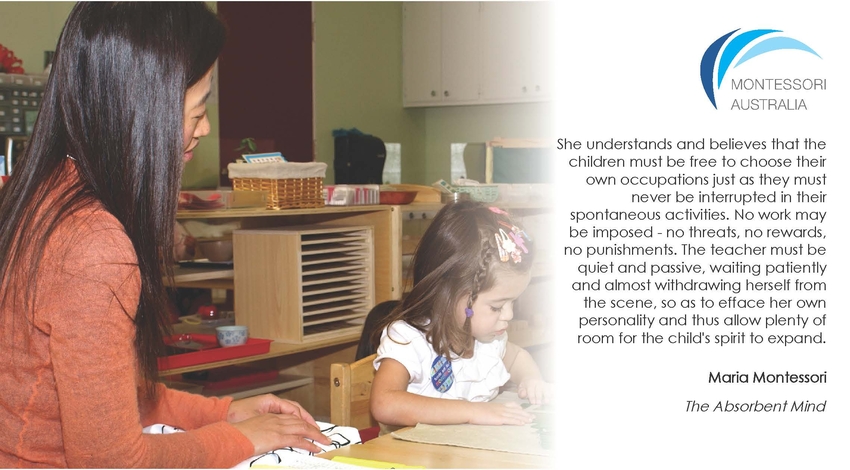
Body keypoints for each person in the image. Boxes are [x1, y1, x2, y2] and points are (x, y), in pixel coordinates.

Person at [0, 3, 329, 468]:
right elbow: (112, 462)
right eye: (197, 111)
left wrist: (223, 412)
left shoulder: (41, 194)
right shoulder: (94, 246)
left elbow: (100, 396)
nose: (206, 127)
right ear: (142, 109)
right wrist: (245, 439)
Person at [369, 201, 553, 431]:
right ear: (450, 292)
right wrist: (473, 412)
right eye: (496, 307)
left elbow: (518, 359)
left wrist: (532, 380)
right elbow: (384, 403)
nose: (509, 315)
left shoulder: (487, 342)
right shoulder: (410, 340)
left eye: (513, 302)